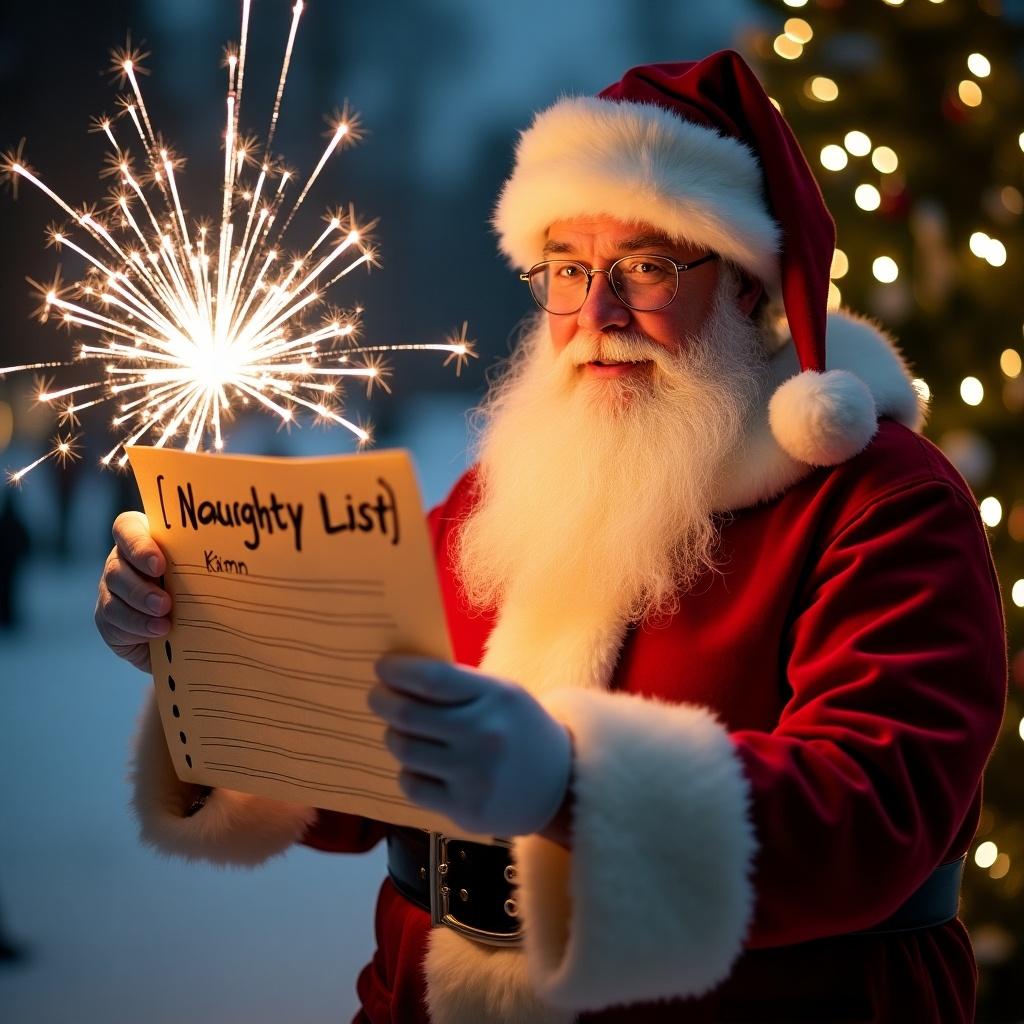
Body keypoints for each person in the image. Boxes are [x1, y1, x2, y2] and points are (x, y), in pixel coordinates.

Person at [95, 52, 1007, 1023]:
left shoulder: (878, 504)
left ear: (748, 287)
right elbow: (365, 761)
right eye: (567, 270)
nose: (597, 313)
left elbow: (872, 810)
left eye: (647, 267)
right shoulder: (506, 492)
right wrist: (200, 648)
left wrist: (571, 782)